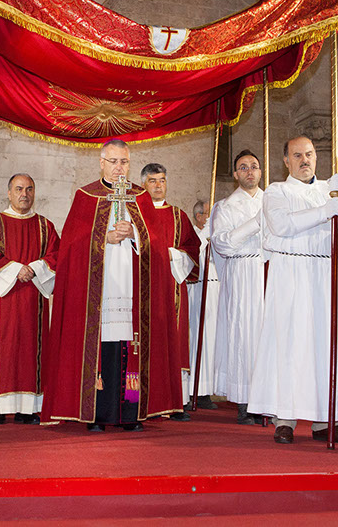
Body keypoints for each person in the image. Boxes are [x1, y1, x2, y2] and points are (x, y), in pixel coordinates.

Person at [42, 139, 185, 431]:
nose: (120, 168)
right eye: (114, 162)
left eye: (124, 162)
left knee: (131, 348)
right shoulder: (86, 196)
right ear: (102, 163)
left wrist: (135, 234)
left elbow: (156, 245)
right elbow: (70, 247)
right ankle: (97, 414)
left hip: (132, 289)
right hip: (101, 290)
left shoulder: (140, 197)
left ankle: (131, 414)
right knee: (102, 348)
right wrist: (102, 239)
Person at [246, 136, 338, 444]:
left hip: (328, 274)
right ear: (286, 161)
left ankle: (325, 420)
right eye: (297, 155)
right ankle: (285, 419)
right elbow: (282, 225)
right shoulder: (277, 191)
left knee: (327, 345)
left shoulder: (330, 189)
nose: (305, 160)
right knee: (291, 345)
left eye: (310, 154)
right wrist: (325, 210)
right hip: (292, 275)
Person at [0, 173, 60, 425]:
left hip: (34, 296)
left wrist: (33, 268)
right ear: (9, 193)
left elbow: (57, 255)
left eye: (29, 189)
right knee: (2, 348)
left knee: (31, 350)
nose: (24, 194)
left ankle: (28, 408)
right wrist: (16, 269)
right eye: (19, 189)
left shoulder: (45, 226)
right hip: (4, 298)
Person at [210, 149, 266, 424]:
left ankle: (269, 397)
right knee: (245, 335)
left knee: (269, 336)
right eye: (243, 167)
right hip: (243, 273)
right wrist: (254, 225)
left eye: (254, 166)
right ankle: (245, 400)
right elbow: (222, 243)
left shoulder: (274, 202)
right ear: (235, 174)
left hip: (270, 273)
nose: (249, 171)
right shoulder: (225, 207)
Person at [141, 162, 201, 421]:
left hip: (173, 288)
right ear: (143, 183)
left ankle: (177, 402)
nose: (158, 185)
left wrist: (169, 256)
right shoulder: (134, 214)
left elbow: (192, 249)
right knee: (141, 343)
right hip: (142, 289)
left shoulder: (178, 215)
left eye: (162, 180)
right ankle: (137, 399)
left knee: (174, 341)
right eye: (153, 180)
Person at [188, 199, 219, 410]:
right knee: (199, 340)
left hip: (216, 289)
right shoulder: (195, 234)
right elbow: (195, 253)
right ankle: (193, 390)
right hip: (200, 288)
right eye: (209, 214)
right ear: (200, 217)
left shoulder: (214, 231)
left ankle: (207, 390)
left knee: (212, 342)